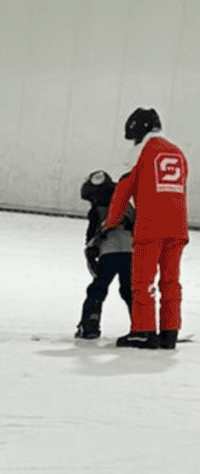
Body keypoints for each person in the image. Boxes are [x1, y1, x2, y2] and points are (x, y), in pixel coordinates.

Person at [106, 108, 189, 349]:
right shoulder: (178, 152)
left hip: (151, 226)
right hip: (178, 227)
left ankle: (143, 331)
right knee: (171, 281)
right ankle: (170, 332)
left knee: (142, 281)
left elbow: (124, 188)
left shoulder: (142, 151)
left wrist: (110, 222)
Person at [76, 170, 132, 339]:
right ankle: (142, 326)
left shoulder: (97, 211)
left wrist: (91, 252)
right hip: (132, 252)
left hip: (109, 253)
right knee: (131, 291)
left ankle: (89, 326)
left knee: (98, 289)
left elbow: (92, 235)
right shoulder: (126, 205)